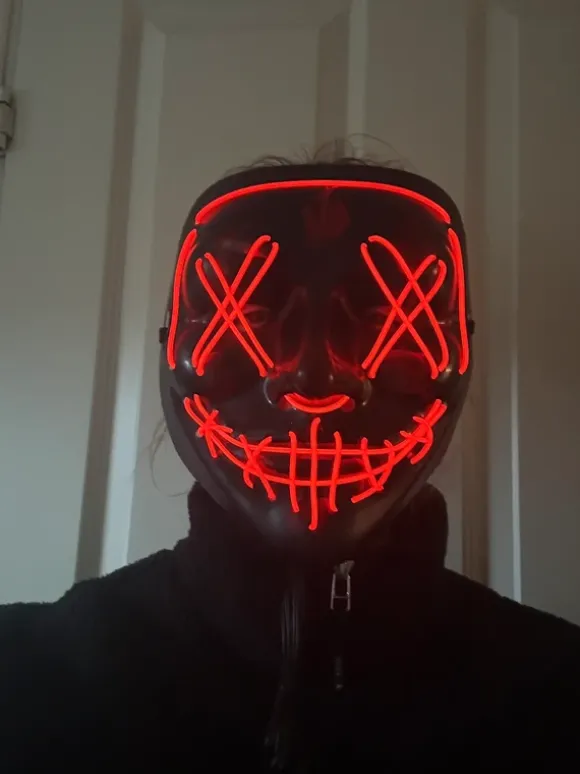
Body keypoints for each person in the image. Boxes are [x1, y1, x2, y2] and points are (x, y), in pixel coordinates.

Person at [1, 156, 579, 772]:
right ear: (172, 344)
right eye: (249, 311)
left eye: (384, 314)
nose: (314, 379)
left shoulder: (558, 695)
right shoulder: (24, 681)